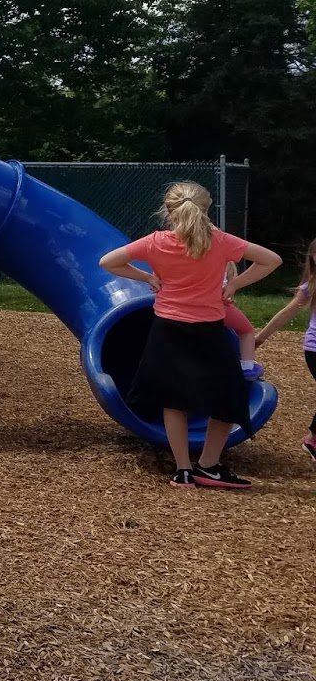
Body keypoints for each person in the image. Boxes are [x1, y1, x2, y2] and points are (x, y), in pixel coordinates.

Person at [98, 181, 282, 489]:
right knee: (228, 397)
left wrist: (146, 276)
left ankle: (182, 470)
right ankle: (208, 465)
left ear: (169, 211)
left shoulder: (156, 242)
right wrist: (234, 285)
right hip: (209, 329)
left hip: (167, 329)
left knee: (173, 400)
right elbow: (271, 260)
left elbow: (107, 261)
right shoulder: (220, 241)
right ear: (207, 210)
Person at [254, 237, 316, 464]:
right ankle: (311, 440)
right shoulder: (311, 287)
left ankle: (312, 438)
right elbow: (285, 314)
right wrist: (260, 337)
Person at [222, 263, 263, 379]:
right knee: (247, 330)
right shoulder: (226, 261)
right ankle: (247, 367)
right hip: (219, 304)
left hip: (184, 306)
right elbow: (229, 291)